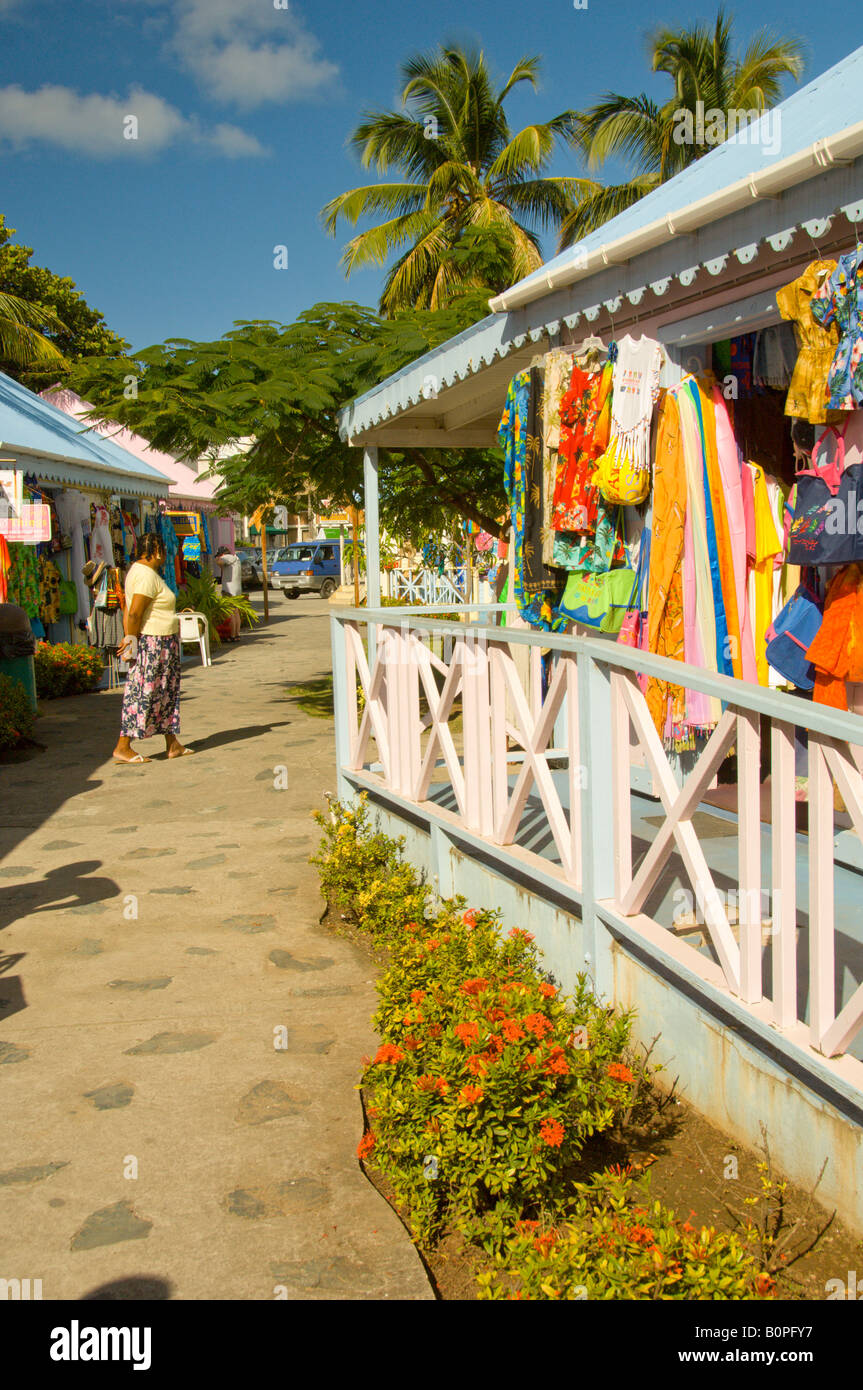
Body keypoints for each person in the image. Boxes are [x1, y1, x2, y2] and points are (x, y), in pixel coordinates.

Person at [113, 534, 194, 765]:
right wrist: (130, 639)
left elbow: (129, 607)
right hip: (153, 644)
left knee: (164, 693)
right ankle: (123, 746)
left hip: (163, 643)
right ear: (156, 550)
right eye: (165, 550)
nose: (168, 555)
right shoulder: (146, 575)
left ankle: (172, 743)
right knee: (143, 692)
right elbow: (134, 611)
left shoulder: (141, 572)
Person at [215, 546, 242, 640]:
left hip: (229, 589)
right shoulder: (236, 559)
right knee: (236, 612)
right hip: (237, 589)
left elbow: (219, 562)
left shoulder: (227, 557)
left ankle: (232, 635)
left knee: (231, 612)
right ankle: (237, 634)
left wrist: (217, 559)